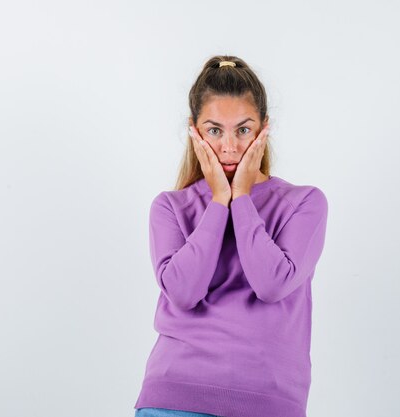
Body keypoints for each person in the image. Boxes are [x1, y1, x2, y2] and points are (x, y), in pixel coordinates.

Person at [133, 55, 329, 417]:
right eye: (214, 130)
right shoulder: (171, 207)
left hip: (268, 401)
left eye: (243, 130)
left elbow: (272, 284)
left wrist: (241, 199)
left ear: (263, 130)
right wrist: (218, 201)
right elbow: (183, 291)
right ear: (194, 131)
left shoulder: (304, 203)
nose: (229, 146)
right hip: (175, 398)